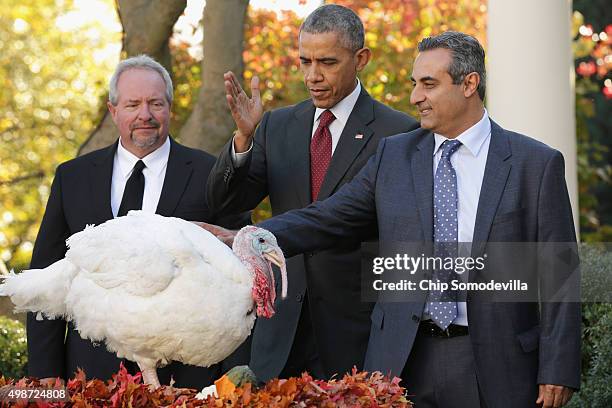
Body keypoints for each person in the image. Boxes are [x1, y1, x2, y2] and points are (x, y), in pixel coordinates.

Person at [207, 32, 581, 407]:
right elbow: (328, 217)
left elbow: (559, 275)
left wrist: (558, 368)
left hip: (495, 362)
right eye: (415, 84)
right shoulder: (395, 155)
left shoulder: (534, 164)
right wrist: (248, 236)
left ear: (469, 84)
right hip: (401, 359)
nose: (416, 96)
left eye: (429, 84)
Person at [206, 4, 418, 381]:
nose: (312, 76)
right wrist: (242, 139)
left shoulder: (398, 133)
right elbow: (226, 203)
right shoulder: (276, 125)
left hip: (355, 332)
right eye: (305, 61)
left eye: (327, 62)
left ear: (361, 59)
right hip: (280, 329)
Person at [27, 54, 248, 388]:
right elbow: (46, 275)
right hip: (90, 377)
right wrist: (45, 373)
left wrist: (229, 379)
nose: (145, 115)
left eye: (155, 103)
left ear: (170, 107)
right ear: (113, 110)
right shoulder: (72, 178)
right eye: (132, 104)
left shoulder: (210, 174)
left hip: (186, 378)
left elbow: (240, 279)